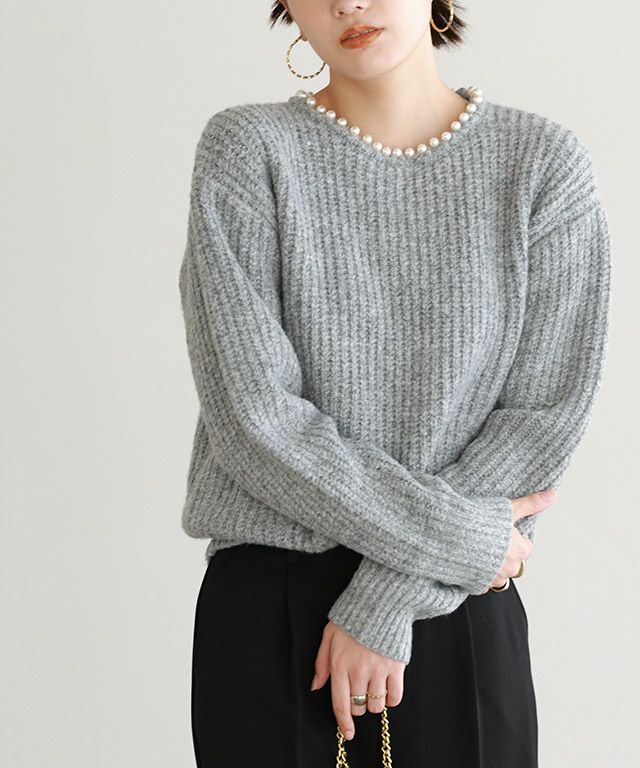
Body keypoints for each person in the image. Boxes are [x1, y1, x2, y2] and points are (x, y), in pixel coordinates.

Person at [178, 1, 612, 766]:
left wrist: (386, 600)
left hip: (456, 604)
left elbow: (542, 415)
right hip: (281, 599)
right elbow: (254, 418)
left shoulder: (542, 164)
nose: (347, 3)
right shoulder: (249, 149)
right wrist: (458, 538)